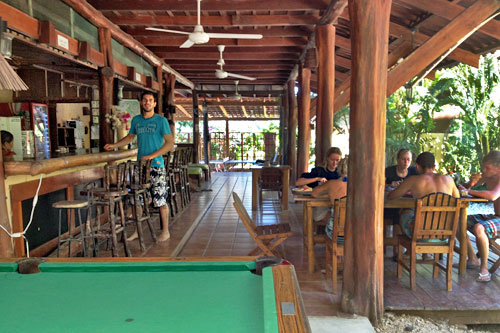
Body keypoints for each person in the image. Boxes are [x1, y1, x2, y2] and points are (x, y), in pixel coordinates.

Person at [104, 91, 174, 241]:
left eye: (150, 100)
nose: (147, 102)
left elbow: (170, 143)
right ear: (142, 103)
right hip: (139, 166)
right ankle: (137, 231)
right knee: (138, 200)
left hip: (156, 165)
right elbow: (130, 137)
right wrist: (114, 145)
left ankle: (165, 231)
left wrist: (153, 155)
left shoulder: (161, 121)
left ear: (155, 103)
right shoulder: (136, 120)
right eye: (145, 100)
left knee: (160, 199)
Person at [387, 152, 460, 240]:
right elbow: (457, 199)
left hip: (420, 234)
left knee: (405, 211)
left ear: (417, 166)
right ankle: (424, 253)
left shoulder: (413, 180)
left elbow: (391, 196)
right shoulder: (449, 180)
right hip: (444, 233)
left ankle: (410, 248)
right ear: (434, 167)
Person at [458, 150, 500, 282]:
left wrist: (469, 191)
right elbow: (464, 187)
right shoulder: (487, 175)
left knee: (478, 228)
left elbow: (493, 195)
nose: (484, 170)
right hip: (495, 216)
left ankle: (484, 269)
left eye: (488, 168)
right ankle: (472, 257)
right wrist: (469, 183)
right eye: (483, 167)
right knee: (458, 219)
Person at [296, 147, 342, 224]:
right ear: (327, 158)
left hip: (334, 204)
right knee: (336, 218)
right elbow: (298, 182)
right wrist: (317, 179)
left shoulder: (340, 173)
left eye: (337, 160)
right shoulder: (319, 171)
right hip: (320, 205)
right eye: (332, 160)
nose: (334, 163)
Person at [311, 156, 348, 240]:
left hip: (336, 234)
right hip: (358, 234)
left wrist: (329, 194)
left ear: (340, 169)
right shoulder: (362, 187)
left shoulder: (332, 184)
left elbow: (314, 193)